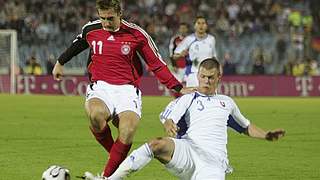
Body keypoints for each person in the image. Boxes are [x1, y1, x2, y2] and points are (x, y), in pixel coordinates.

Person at [52, 0, 193, 179]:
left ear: (120, 14)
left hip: (127, 90)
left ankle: (108, 174)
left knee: (127, 131)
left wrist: (178, 87)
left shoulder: (137, 34)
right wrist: (60, 62)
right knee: (95, 115)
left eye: (110, 18)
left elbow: (156, 64)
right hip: (100, 87)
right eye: (102, 18)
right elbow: (78, 44)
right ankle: (116, 161)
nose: (106, 23)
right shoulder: (91, 29)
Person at [107, 58, 285, 180]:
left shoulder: (226, 103)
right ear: (198, 76)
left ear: (218, 78)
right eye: (203, 77)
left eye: (210, 77)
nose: (206, 81)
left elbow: (245, 126)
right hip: (188, 150)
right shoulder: (188, 98)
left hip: (213, 161)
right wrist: (169, 124)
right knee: (156, 145)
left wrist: (266, 135)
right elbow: (171, 118)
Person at [173, 16, 217, 87]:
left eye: (203, 23)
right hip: (193, 75)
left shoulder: (211, 39)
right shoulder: (189, 39)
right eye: (198, 23)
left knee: (209, 98)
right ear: (195, 26)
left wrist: (218, 70)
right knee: (193, 97)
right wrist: (180, 55)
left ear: (206, 26)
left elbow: (214, 57)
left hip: (209, 75)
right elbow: (174, 56)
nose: (201, 25)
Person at [168, 22, 189, 98]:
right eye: (181, 28)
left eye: (184, 28)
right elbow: (171, 53)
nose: (183, 30)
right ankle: (176, 102)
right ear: (179, 29)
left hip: (189, 66)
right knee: (177, 86)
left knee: (189, 85)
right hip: (178, 66)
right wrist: (173, 65)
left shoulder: (190, 39)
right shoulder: (175, 39)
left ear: (187, 29)